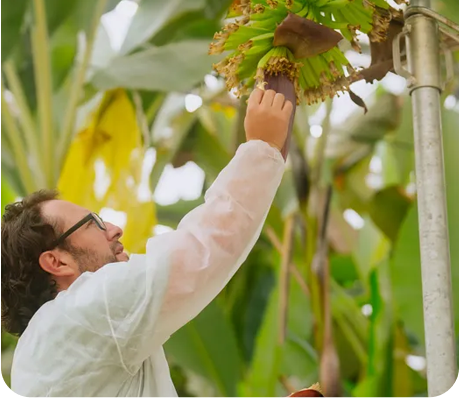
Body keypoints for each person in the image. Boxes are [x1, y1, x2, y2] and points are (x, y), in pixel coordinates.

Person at [2, 88, 293, 398]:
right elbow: (202, 249)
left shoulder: (35, 357)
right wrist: (264, 147)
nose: (114, 229)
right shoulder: (86, 310)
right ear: (57, 262)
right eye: (94, 224)